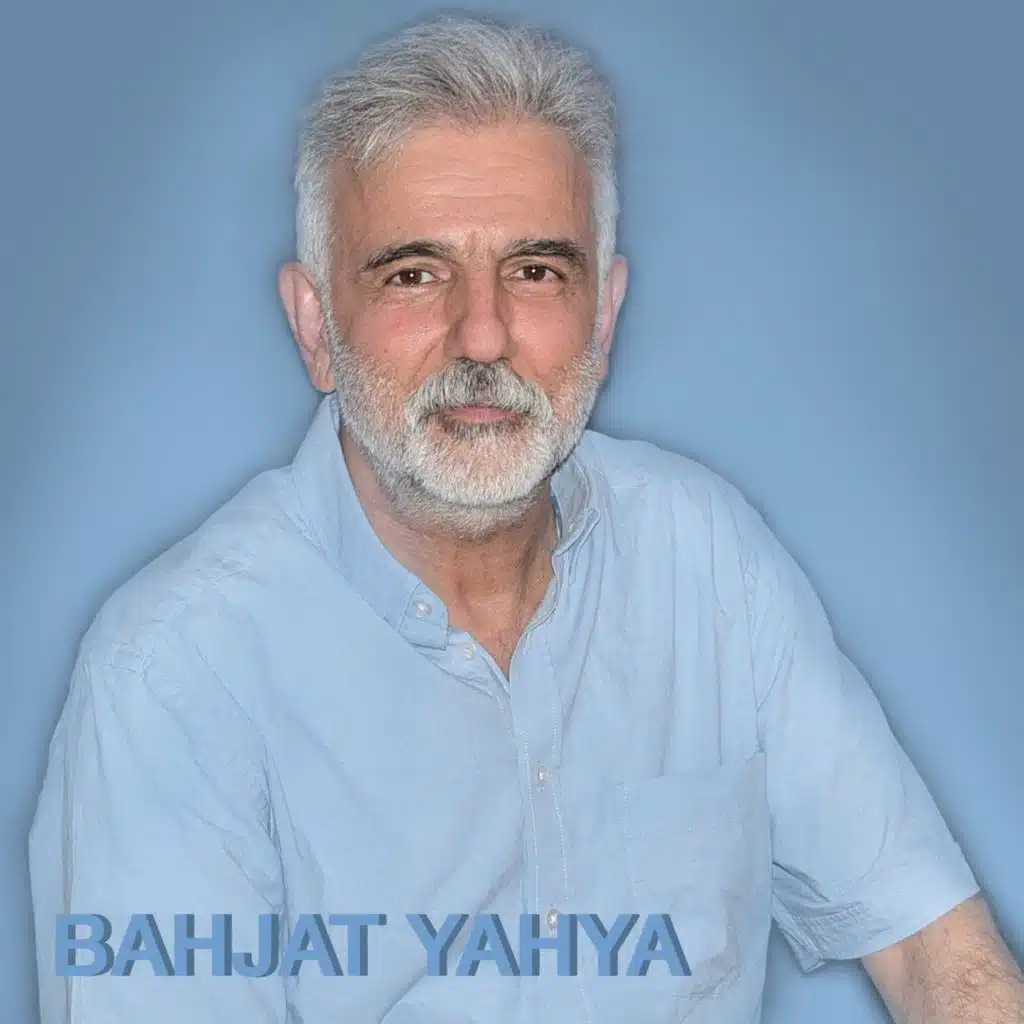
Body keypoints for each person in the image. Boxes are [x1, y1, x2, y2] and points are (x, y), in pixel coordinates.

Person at [28, 13, 1022, 1024]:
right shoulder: (174, 673)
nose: (483, 334)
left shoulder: (705, 560)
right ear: (316, 327)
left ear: (604, 314)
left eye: (536, 270)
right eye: (414, 273)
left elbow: (933, 951)